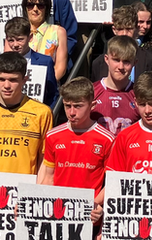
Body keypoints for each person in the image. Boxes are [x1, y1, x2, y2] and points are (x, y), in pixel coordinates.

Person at [43, 77, 113, 225]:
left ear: (92, 105)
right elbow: (48, 178)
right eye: (67, 106)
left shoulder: (106, 139)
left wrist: (97, 204)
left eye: (78, 106)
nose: (72, 112)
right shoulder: (53, 136)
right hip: (57, 214)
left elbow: (112, 182)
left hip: (88, 216)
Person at [0, 52, 53, 174]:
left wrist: (36, 190)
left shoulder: (42, 113)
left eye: (13, 80)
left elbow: (43, 161)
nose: (6, 86)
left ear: (25, 79)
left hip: (23, 188)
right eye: (1, 79)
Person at [92, 5, 152, 81]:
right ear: (114, 30)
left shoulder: (150, 60)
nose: (124, 33)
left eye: (129, 29)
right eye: (120, 29)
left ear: (137, 29)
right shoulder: (99, 63)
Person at [92, 36, 140, 136]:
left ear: (135, 63)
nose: (121, 67)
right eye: (116, 60)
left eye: (126, 61)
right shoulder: (92, 92)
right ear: (106, 59)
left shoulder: (139, 94)